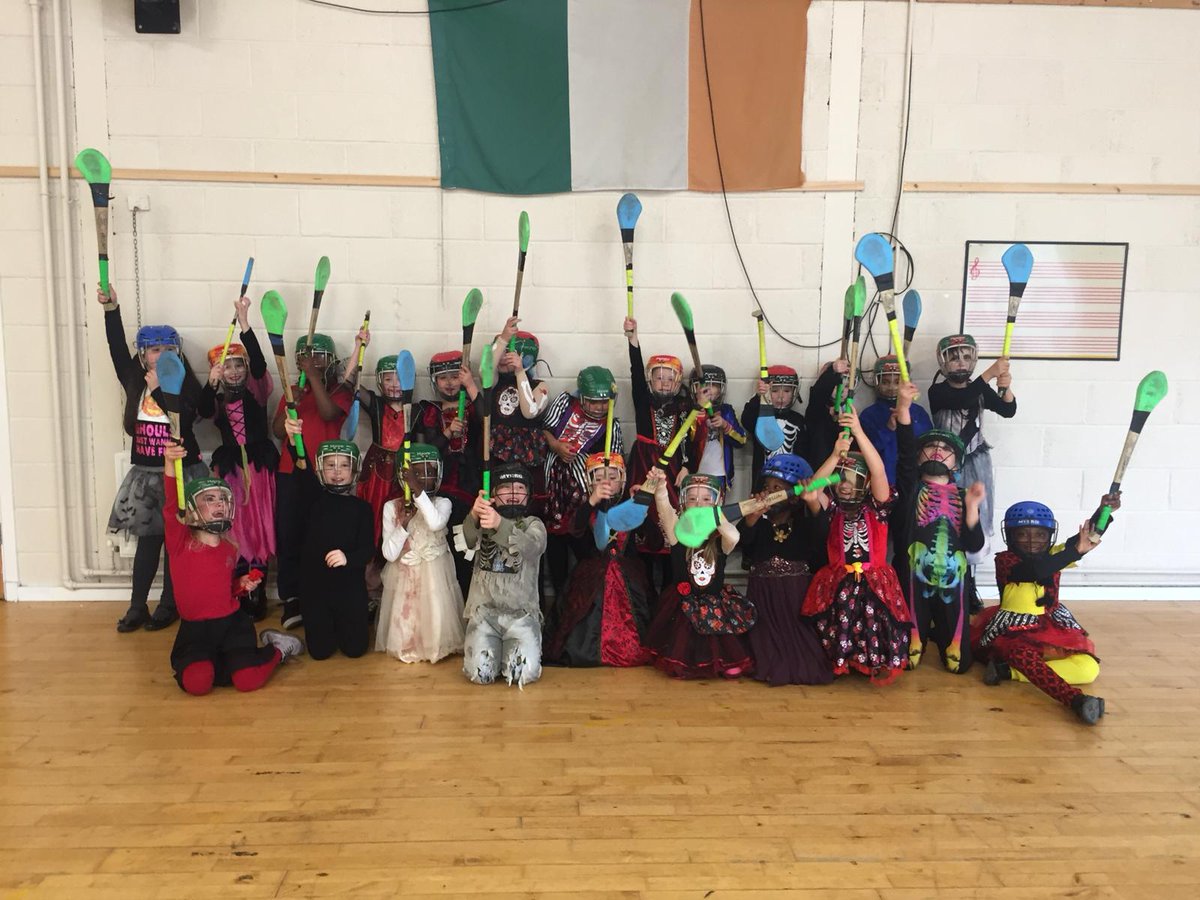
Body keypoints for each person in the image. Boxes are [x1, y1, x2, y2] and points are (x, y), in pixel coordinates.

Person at [99, 284, 207, 633]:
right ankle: (136, 606)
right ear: (143, 354)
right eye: (153, 350)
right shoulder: (133, 378)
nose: (159, 356)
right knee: (148, 543)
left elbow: (186, 420)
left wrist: (161, 389)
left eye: (166, 350)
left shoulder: (184, 384)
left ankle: (169, 604)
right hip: (146, 474)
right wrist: (112, 309)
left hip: (180, 471)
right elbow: (116, 348)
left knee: (176, 542)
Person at [161, 441, 303, 696]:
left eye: (223, 499)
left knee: (248, 681)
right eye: (209, 499)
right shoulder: (181, 543)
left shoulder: (229, 548)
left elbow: (224, 592)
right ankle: (212, 663)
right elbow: (172, 506)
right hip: (195, 632)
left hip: (231, 626)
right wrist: (170, 464)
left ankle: (279, 649)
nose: (219, 504)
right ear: (192, 511)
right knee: (197, 684)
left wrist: (241, 585)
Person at [972, 497, 1118, 725]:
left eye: (1040, 535)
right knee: (1022, 654)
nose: (1032, 541)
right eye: (1023, 534)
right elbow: (1036, 570)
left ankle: (1007, 672)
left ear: (1049, 536)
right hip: (1014, 629)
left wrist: (1105, 509)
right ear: (1010, 536)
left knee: (1089, 669)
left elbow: (1088, 536)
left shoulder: (1054, 556)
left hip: (1051, 626)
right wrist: (1075, 552)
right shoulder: (1006, 561)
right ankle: (1076, 701)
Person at [801, 411, 910, 684]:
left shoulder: (877, 509)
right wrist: (835, 457)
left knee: (873, 624)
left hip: (874, 580)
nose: (846, 486)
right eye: (841, 480)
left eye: (854, 480)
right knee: (841, 622)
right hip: (840, 579)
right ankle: (842, 662)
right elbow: (813, 488)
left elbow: (879, 470)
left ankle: (871, 662)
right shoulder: (833, 509)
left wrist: (859, 433)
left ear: (867, 483)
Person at [893, 380, 986, 673]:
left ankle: (945, 639)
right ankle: (918, 636)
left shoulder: (963, 495)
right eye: (930, 446)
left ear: (957, 463)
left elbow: (974, 546)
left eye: (945, 449)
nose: (936, 451)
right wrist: (904, 409)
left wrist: (971, 507)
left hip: (953, 583)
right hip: (912, 576)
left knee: (960, 665)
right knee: (907, 657)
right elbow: (905, 456)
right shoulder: (910, 490)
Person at [196, 296, 278, 621]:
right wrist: (210, 383)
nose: (233, 371)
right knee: (237, 526)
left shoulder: (257, 390)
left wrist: (244, 323)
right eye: (226, 366)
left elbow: (259, 364)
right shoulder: (216, 399)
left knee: (257, 525)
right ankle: (239, 587)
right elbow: (202, 412)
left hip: (257, 467)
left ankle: (257, 588)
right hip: (230, 470)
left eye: (237, 365)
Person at [928, 334, 1017, 612]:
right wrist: (990, 373)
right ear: (943, 362)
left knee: (974, 520)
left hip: (975, 462)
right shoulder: (937, 392)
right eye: (954, 357)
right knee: (947, 520)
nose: (960, 362)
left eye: (966, 356)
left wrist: (1005, 388)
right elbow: (961, 397)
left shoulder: (979, 389)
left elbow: (1008, 410)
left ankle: (970, 583)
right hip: (944, 465)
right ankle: (946, 580)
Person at [272, 332, 353, 630]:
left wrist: (312, 377)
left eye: (320, 356)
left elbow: (328, 412)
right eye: (309, 357)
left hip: (327, 475)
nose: (315, 361)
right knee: (290, 534)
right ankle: (291, 597)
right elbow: (278, 431)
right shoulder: (290, 389)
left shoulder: (340, 391)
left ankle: (322, 593)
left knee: (324, 536)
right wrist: (291, 408)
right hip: (290, 473)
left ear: (331, 361)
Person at [543, 452, 652, 668]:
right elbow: (575, 530)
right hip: (591, 576)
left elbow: (648, 537)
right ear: (589, 481)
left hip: (629, 575)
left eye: (612, 476)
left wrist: (639, 504)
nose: (607, 482)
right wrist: (592, 501)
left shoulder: (629, 503)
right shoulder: (585, 508)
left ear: (622, 478)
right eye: (599, 477)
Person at [646, 473, 756, 679]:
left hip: (712, 602)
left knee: (716, 635)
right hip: (684, 601)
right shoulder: (676, 530)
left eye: (706, 499)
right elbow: (664, 508)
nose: (698, 504)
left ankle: (721, 661)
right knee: (683, 637)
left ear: (717, 502)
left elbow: (734, 536)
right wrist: (660, 486)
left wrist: (715, 517)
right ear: (683, 503)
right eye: (692, 499)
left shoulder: (720, 537)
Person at [738, 454, 832, 686]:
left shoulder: (804, 520)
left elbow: (820, 536)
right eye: (767, 487)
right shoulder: (759, 521)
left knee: (804, 654)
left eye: (778, 487)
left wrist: (812, 502)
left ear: (792, 495)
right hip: (762, 596)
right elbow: (743, 544)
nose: (770, 492)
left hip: (794, 596)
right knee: (761, 648)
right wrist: (751, 518)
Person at [283, 424, 375, 661]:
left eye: (344, 465)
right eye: (330, 465)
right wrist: (295, 440)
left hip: (350, 590)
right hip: (316, 589)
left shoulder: (363, 509)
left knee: (355, 650)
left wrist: (348, 558)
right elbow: (302, 469)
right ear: (320, 469)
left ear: (354, 469)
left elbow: (367, 550)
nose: (337, 471)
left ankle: (348, 623)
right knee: (320, 652)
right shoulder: (312, 498)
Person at [461, 463, 548, 687]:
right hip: (484, 614)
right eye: (506, 487)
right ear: (493, 494)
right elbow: (469, 540)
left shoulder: (534, 524)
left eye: (520, 488)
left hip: (521, 615)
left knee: (521, 674)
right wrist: (474, 514)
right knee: (481, 674)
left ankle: (509, 653)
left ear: (528, 494)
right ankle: (493, 652)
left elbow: (532, 546)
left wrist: (499, 524)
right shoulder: (483, 519)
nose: (513, 493)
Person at [377, 444, 465, 664]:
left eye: (429, 472)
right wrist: (403, 526)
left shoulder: (443, 503)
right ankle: (409, 644)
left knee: (435, 607)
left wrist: (417, 490)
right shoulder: (391, 507)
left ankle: (435, 646)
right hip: (405, 573)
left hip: (434, 571)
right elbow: (389, 553)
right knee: (408, 613)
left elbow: (435, 523)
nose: (424, 478)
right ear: (403, 475)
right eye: (416, 473)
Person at [542, 366, 624, 602]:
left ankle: (584, 604)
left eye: (605, 402)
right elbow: (543, 430)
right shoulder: (564, 404)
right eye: (593, 402)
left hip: (586, 500)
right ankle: (558, 605)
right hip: (555, 491)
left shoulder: (612, 426)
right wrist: (557, 446)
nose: (600, 407)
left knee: (586, 556)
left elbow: (616, 465)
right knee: (556, 555)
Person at [623, 316, 691, 596]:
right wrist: (633, 340)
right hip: (643, 464)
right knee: (644, 522)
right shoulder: (643, 400)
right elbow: (635, 373)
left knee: (670, 521)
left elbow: (688, 439)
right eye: (658, 376)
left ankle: (670, 591)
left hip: (673, 468)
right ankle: (644, 592)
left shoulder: (685, 407)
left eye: (669, 377)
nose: (663, 382)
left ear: (677, 381)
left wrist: (687, 465)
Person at [413, 350, 481, 599]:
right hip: (437, 493)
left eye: (455, 376)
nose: (450, 383)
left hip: (469, 490)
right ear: (434, 381)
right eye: (444, 378)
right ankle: (443, 605)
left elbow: (488, 427)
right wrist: (446, 434)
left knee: (466, 548)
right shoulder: (427, 411)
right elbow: (424, 454)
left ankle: (467, 601)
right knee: (440, 551)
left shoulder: (474, 409)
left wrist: (471, 385)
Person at [347, 347, 407, 551]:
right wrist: (359, 346)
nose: (394, 384)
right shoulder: (377, 405)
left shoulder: (417, 409)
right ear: (379, 381)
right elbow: (349, 381)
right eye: (388, 379)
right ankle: (370, 561)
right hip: (377, 472)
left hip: (404, 469)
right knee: (374, 512)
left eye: (399, 378)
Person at [858, 355, 932, 485]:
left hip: (913, 480)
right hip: (882, 482)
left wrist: (906, 423)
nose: (891, 387)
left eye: (897, 382)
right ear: (877, 381)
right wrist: (888, 429)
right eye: (885, 382)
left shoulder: (918, 413)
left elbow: (927, 446)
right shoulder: (868, 415)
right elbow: (866, 451)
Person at [741, 365, 807, 492]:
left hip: (791, 482)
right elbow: (746, 420)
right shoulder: (759, 417)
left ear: (794, 392)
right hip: (762, 483)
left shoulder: (799, 421)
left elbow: (804, 453)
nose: (781, 396)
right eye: (774, 391)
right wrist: (758, 397)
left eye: (787, 391)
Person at [686, 365, 747, 490]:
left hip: (719, 474)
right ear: (693, 388)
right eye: (702, 385)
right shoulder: (688, 411)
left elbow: (742, 440)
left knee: (717, 509)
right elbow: (690, 439)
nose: (707, 389)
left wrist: (726, 426)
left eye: (713, 385)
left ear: (720, 389)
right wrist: (699, 417)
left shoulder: (726, 411)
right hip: (695, 473)